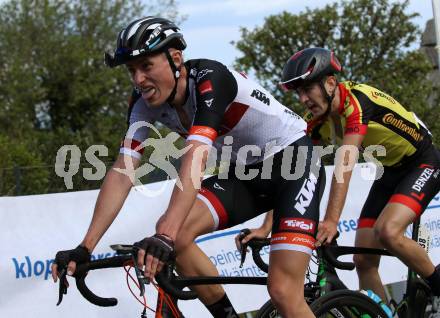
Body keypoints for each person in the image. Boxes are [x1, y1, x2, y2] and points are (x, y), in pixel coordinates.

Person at [51, 17, 325, 318]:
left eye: (146, 66)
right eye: (132, 71)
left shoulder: (210, 79)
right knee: (176, 233)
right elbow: (123, 170)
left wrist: (164, 237)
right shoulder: (143, 103)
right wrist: (85, 247)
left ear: (176, 58)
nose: (138, 79)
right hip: (247, 174)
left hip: (295, 164)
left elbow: (196, 158)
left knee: (284, 292)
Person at [276, 47, 440, 301]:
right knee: (363, 258)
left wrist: (331, 221)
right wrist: (269, 224)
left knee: (389, 232)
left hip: (422, 162)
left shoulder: (357, 103)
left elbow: (345, 165)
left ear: (331, 83)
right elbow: (296, 170)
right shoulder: (315, 119)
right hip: (390, 172)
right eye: (298, 93)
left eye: (308, 89)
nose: (303, 99)